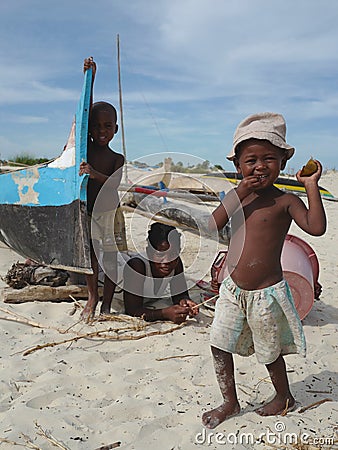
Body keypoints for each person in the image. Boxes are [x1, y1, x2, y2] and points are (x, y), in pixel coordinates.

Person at [202, 112, 326, 429]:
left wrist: (310, 186)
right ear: (238, 167)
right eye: (251, 161)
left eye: (269, 158)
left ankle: (283, 395)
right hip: (232, 290)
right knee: (219, 343)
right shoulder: (236, 197)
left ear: (282, 163)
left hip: (266, 295)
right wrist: (240, 191)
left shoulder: (285, 201)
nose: (260, 167)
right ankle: (230, 401)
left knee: (269, 352)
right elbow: (212, 226)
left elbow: (316, 227)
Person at [79, 57, 126, 321]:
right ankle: (92, 298)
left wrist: (92, 172)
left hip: (110, 213)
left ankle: (107, 302)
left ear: (115, 129)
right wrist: (91, 79)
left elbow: (113, 183)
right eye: (97, 126)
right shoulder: (86, 149)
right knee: (90, 258)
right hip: (87, 212)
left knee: (109, 259)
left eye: (107, 126)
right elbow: (87, 110)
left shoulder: (117, 158)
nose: (101, 130)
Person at [123, 222, 199, 323]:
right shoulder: (137, 267)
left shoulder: (175, 263)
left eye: (173, 254)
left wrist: (184, 302)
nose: (166, 260)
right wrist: (164, 314)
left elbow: (179, 294)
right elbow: (132, 310)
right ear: (148, 252)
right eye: (160, 254)